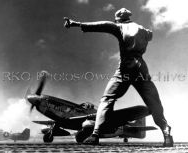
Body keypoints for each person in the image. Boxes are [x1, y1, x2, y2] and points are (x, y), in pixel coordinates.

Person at [64, 8, 174, 147]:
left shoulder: (119, 26)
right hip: (141, 67)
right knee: (153, 102)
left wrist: (76, 24)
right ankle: (166, 132)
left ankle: (95, 134)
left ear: (118, 19)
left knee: (107, 98)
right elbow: (150, 35)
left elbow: (102, 25)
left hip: (126, 67)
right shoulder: (143, 29)